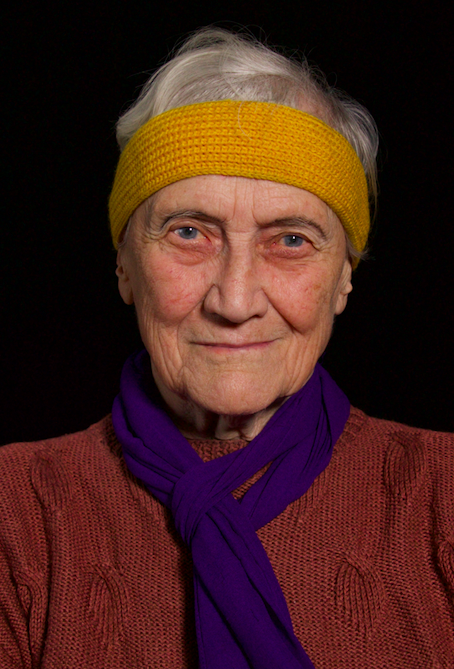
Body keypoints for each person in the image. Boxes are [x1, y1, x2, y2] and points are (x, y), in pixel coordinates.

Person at [1, 27, 453, 669]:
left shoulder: (441, 494)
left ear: (343, 278)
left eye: (291, 240)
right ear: (125, 265)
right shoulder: (16, 510)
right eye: (190, 232)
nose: (235, 301)